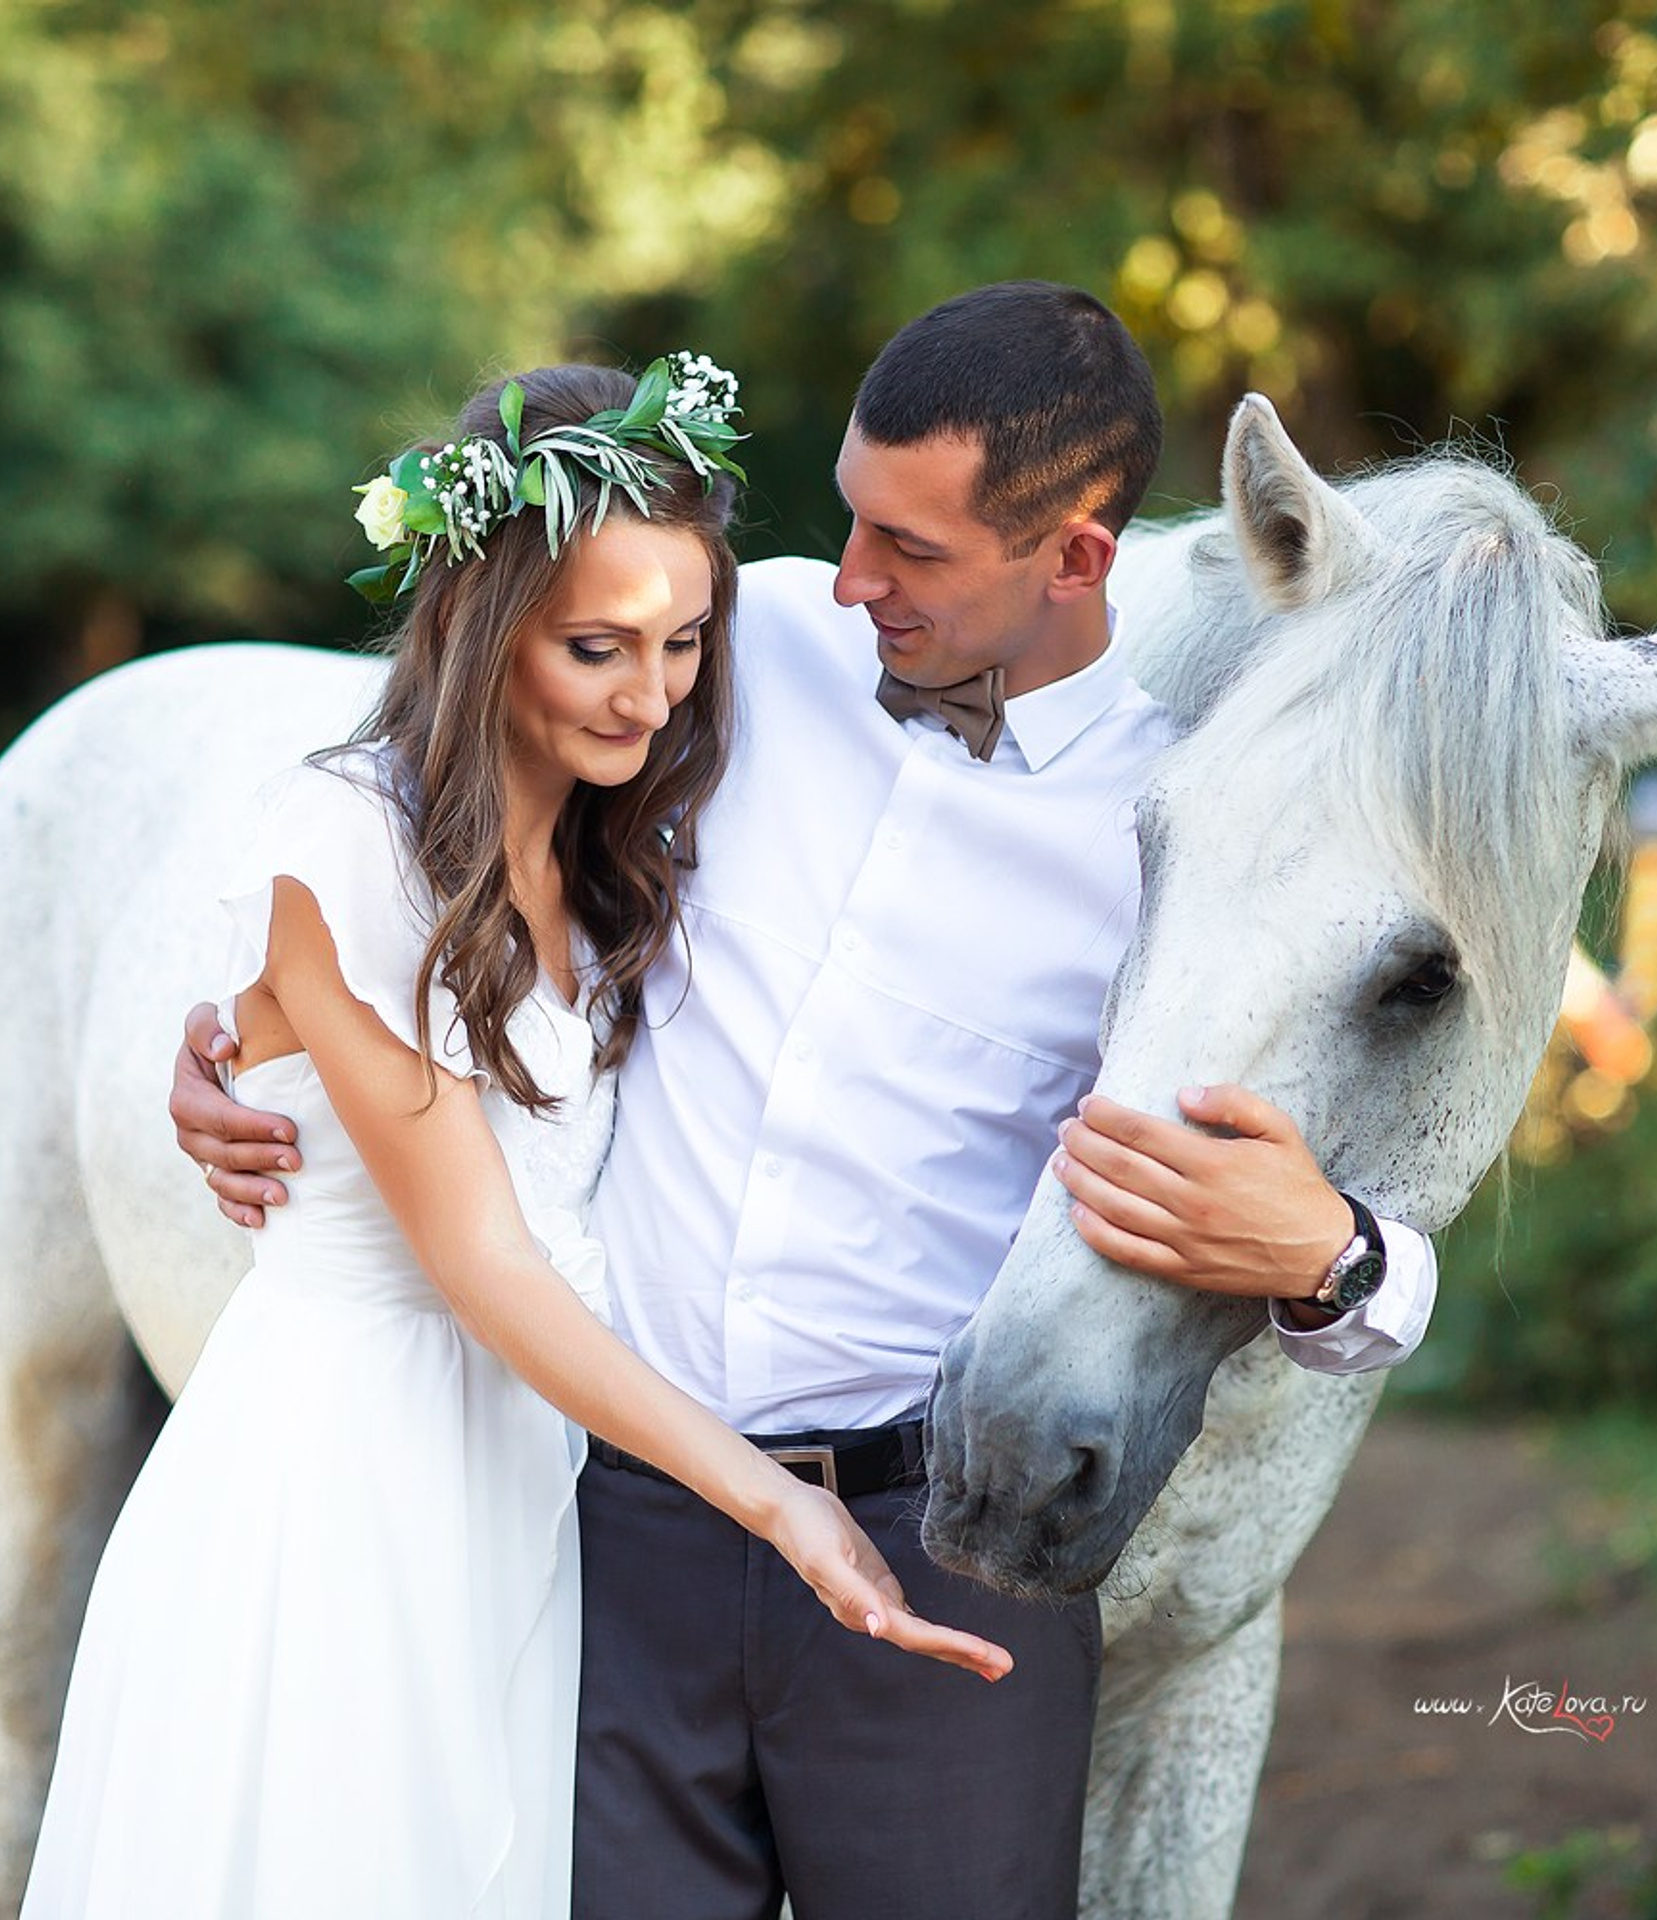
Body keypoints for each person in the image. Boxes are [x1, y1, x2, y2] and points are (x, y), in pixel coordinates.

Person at [176, 286, 1438, 1918]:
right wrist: (240, 1032)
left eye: (911, 550)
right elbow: (416, 804)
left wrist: (1337, 1253)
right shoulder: (721, 636)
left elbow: (1367, 1146)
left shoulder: (1181, 827)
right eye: (851, 519)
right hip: (605, 1537)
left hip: (943, 1555)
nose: (849, 580)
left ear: (1075, 556)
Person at [25, 358, 1008, 1920]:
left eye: (686, 642)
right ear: (485, 629)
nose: (651, 692)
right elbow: (480, 1255)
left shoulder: (615, 835)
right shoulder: (349, 843)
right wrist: (772, 1499)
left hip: (528, 1477)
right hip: (348, 1481)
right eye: (597, 648)